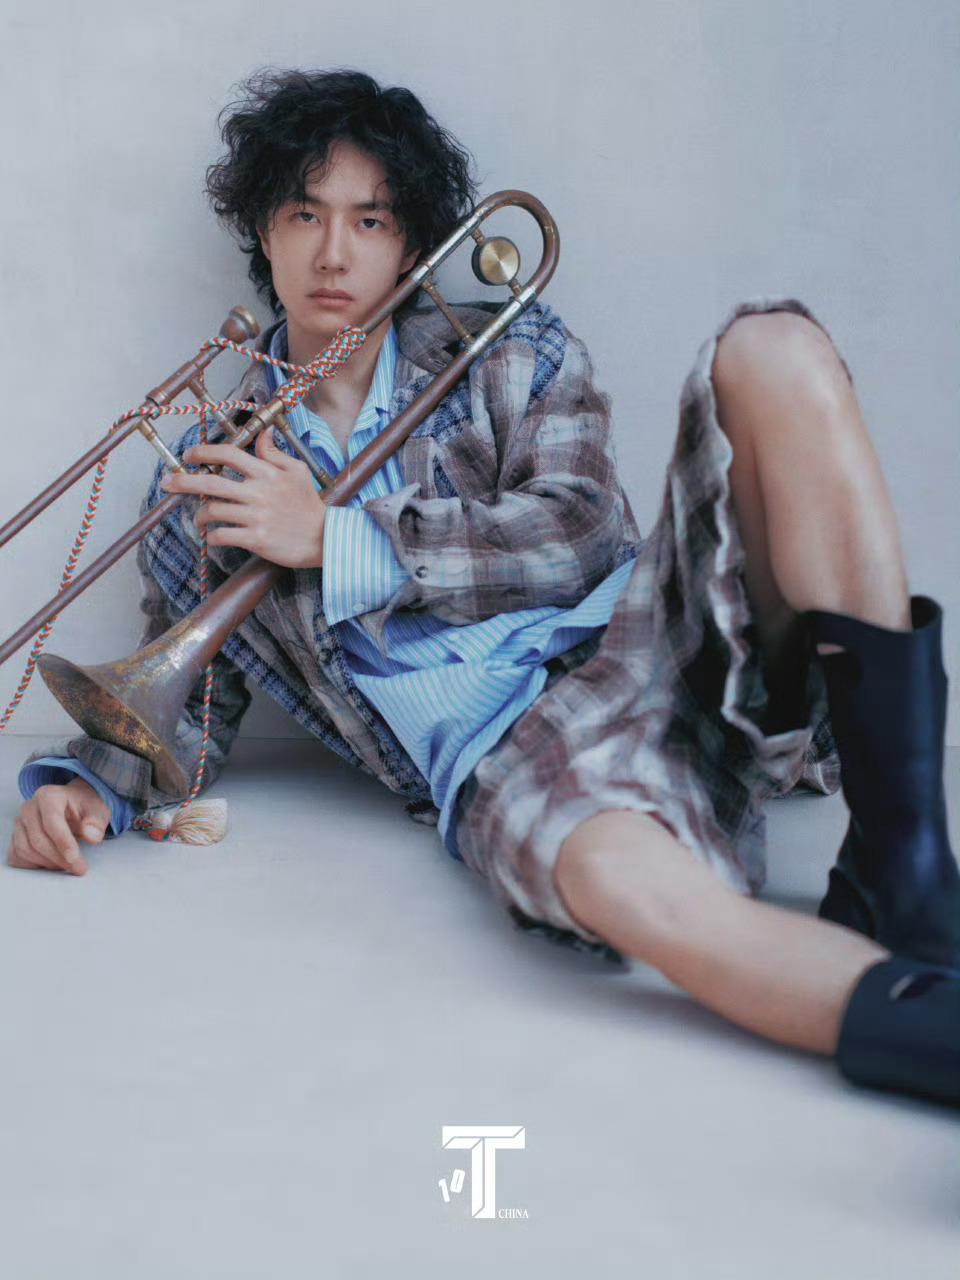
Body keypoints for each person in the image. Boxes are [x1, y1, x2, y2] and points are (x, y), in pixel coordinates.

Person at [8, 68, 959, 1108]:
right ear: (262, 234)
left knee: (773, 346)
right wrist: (89, 785)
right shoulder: (210, 477)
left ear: (411, 242)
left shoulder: (511, 350)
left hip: (646, 639)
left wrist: (337, 538)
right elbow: (183, 696)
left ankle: (904, 866)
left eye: (371, 219)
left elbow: (582, 534)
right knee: (625, 892)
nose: (335, 253)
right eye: (304, 214)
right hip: (505, 749)